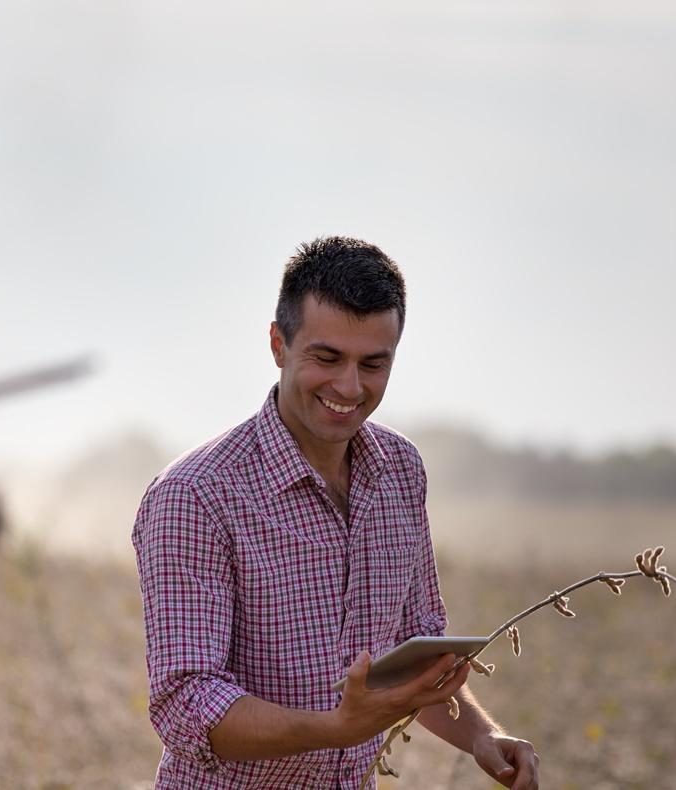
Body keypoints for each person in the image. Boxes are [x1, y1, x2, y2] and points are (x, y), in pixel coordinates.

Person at [132, 236, 540, 788]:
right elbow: (187, 704)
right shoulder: (195, 495)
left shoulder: (400, 471)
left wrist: (480, 737)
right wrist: (336, 728)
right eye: (327, 359)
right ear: (278, 344)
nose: (349, 387)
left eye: (374, 364)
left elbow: (414, 658)